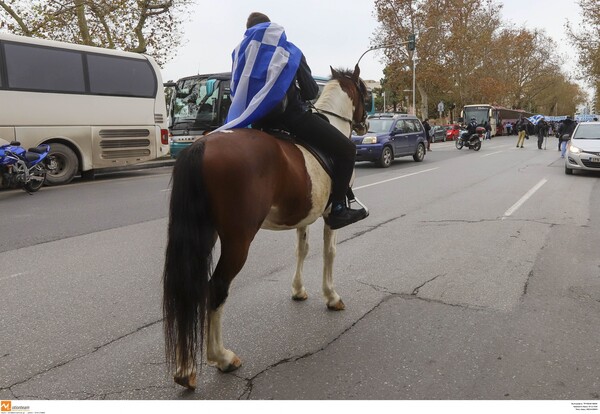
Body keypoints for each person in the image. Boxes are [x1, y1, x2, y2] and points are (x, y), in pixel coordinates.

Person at [218, 12, 367, 230]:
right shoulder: (289, 50)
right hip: (293, 119)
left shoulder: (240, 53)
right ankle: (338, 209)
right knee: (346, 150)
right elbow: (309, 91)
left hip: (259, 124)